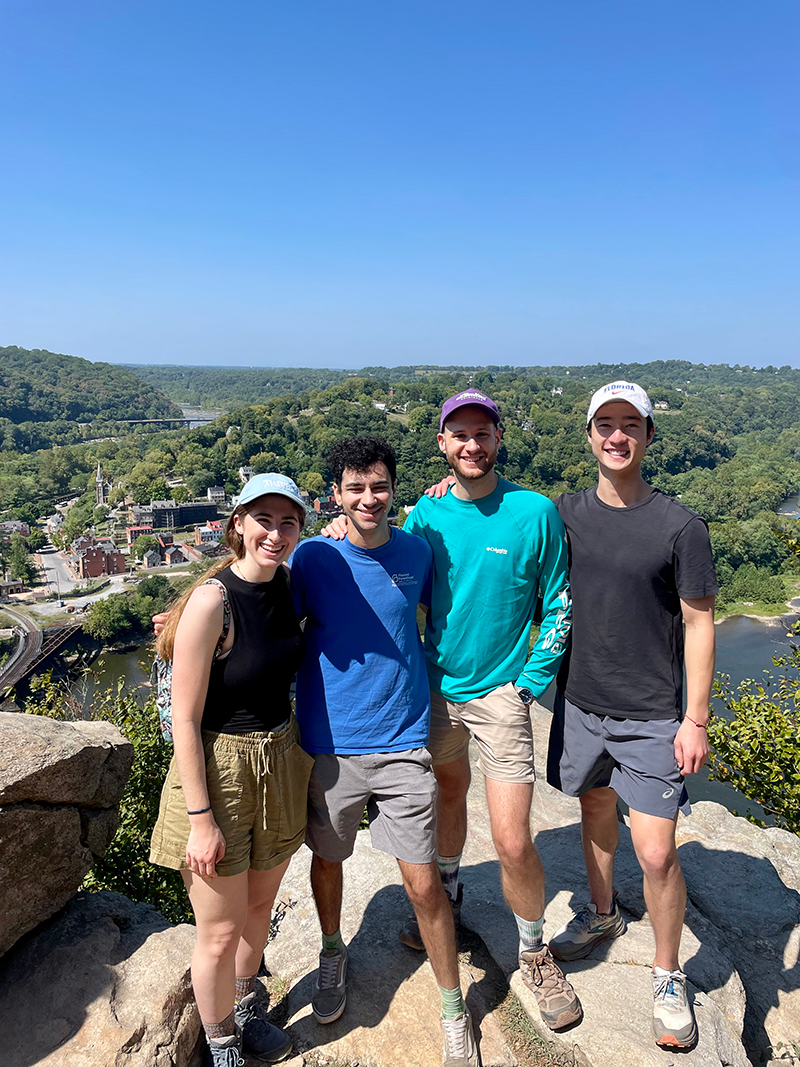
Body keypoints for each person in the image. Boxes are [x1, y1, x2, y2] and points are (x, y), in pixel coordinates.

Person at [324, 394, 580, 1033]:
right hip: (433, 689)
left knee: (514, 837)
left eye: (482, 434)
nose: (471, 446)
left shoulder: (534, 513)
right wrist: (334, 535)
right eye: (458, 435)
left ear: (498, 438)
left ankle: (533, 950)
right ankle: (451, 889)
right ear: (442, 444)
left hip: (501, 696)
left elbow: (558, 602)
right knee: (447, 792)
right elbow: (382, 554)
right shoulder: (426, 515)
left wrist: (529, 684)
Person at [291, 435, 480, 1067]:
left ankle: (454, 1007)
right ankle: (331, 949)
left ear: (394, 489)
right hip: (331, 745)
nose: (369, 498)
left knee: (424, 882)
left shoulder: (416, 552)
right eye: (356, 488)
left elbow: (449, 614)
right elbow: (258, 601)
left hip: (404, 742)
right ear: (335, 495)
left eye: (379, 486)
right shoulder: (313, 557)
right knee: (328, 858)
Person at [546, 381, 718, 1050]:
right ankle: (601, 913)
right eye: (604, 424)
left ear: (648, 436)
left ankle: (668, 973)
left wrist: (695, 718)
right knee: (592, 808)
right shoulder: (564, 513)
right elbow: (496, 518)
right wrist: (441, 493)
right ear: (589, 435)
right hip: (583, 701)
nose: (616, 436)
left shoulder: (680, 526)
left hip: (651, 713)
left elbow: (701, 622)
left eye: (629, 425)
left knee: (654, 849)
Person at [149, 473, 313, 1067]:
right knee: (217, 932)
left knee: (256, 914)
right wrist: (200, 819)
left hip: (279, 759)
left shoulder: (289, 586)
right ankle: (221, 1042)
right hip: (218, 769)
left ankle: (246, 1006)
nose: (275, 532)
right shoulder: (211, 602)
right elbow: (184, 720)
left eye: (287, 521)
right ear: (237, 524)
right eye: (262, 519)